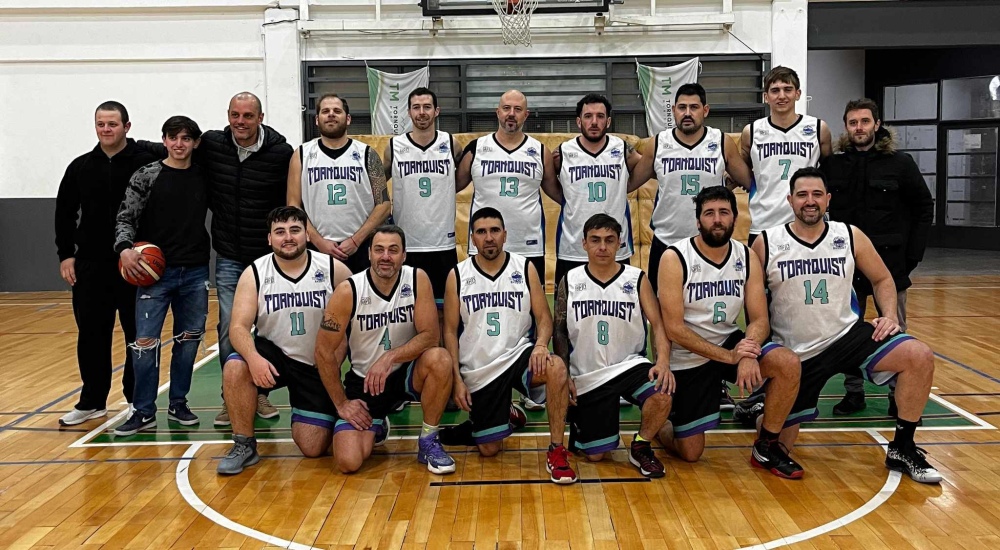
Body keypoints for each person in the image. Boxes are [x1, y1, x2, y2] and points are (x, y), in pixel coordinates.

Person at [751, 167, 940, 483]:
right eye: (802, 195)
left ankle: (903, 448)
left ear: (827, 199)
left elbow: (882, 278)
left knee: (919, 356)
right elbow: (752, 302)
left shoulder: (849, 235)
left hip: (847, 336)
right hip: (796, 353)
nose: (809, 201)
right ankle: (762, 413)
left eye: (816, 195)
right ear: (790, 200)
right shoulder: (767, 243)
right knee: (775, 442)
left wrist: (890, 316)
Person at [138, 92, 293, 427]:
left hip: (268, 259)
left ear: (260, 117)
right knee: (230, 327)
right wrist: (124, 141)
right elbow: (171, 147)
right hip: (229, 257)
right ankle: (232, 397)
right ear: (228, 115)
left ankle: (261, 393)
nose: (241, 122)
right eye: (235, 115)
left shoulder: (281, 153)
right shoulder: (211, 144)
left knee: (265, 329)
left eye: (248, 116)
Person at [655, 186, 804, 478]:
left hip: (729, 341)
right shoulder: (675, 257)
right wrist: (732, 357)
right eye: (709, 213)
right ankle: (663, 420)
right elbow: (674, 329)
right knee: (690, 453)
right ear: (698, 221)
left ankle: (767, 444)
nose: (717, 220)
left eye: (724, 212)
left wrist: (747, 352)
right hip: (689, 355)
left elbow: (759, 318)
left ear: (735, 218)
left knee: (787, 363)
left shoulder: (746, 256)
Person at [630, 82, 752, 410]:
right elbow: (629, 183)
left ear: (705, 111)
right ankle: (667, 372)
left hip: (710, 247)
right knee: (663, 318)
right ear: (673, 112)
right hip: (667, 245)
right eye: (681, 107)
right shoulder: (658, 143)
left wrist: (731, 182)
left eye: (693, 107)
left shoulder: (720, 142)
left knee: (714, 316)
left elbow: (750, 179)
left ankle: (715, 380)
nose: (687, 113)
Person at [441, 208, 577, 484]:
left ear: (505, 235)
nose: (488, 238)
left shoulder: (524, 268)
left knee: (557, 368)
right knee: (489, 450)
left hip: (520, 357)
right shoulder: (458, 274)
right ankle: (507, 413)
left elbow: (544, 318)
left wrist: (540, 344)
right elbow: (450, 331)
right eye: (481, 232)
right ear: (472, 238)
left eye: (494, 231)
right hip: (480, 368)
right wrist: (456, 379)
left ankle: (556, 449)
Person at [216, 206, 351, 475]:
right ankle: (244, 445)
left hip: (315, 363)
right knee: (235, 366)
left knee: (313, 448)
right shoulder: (254, 272)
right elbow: (238, 327)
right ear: (269, 239)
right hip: (272, 354)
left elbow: (356, 320)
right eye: (280, 232)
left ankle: (332, 416)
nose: (287, 237)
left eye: (295, 230)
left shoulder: (333, 269)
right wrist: (254, 360)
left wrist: (338, 356)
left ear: (307, 235)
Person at [821, 98, 935, 416]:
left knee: (895, 327)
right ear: (846, 126)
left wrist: (914, 255)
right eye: (853, 122)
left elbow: (924, 207)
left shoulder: (901, 163)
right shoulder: (834, 166)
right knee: (847, 332)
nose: (859, 128)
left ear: (877, 124)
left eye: (865, 121)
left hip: (892, 264)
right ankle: (853, 393)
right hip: (845, 267)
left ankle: (898, 397)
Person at [314, 225, 457, 474]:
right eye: (379, 250)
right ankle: (378, 422)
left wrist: (390, 357)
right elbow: (323, 351)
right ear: (369, 253)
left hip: (406, 373)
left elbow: (431, 336)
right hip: (366, 381)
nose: (386, 257)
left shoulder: (417, 279)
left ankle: (428, 439)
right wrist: (342, 403)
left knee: (440, 359)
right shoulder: (349, 290)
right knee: (348, 462)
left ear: (404, 255)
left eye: (393, 250)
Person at [54, 101, 157, 426]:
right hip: (90, 266)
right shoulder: (80, 167)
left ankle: (134, 401)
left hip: (134, 265)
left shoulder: (146, 164)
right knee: (91, 335)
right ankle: (92, 400)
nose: (106, 129)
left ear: (127, 127)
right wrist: (66, 254)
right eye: (101, 124)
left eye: (112, 124)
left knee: (136, 335)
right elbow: (64, 214)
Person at [553, 214, 673, 478]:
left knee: (662, 392)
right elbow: (559, 332)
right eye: (595, 240)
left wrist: (663, 362)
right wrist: (566, 375)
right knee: (595, 456)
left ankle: (641, 446)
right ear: (583, 243)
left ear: (620, 243)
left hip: (629, 366)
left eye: (609, 240)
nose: (602, 247)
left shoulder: (636, 278)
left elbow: (659, 324)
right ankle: (589, 426)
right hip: (588, 376)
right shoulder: (569, 280)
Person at [112, 116, 210, 436]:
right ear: (164, 140)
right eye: (173, 138)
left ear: (195, 142)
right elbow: (126, 217)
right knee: (144, 343)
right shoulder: (147, 174)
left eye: (186, 138)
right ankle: (143, 411)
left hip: (195, 272)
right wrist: (125, 248)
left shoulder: (205, 175)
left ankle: (178, 402)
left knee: (188, 342)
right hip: (154, 274)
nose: (179, 144)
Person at [456, 89, 562, 286]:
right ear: (498, 112)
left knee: (529, 309)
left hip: (528, 245)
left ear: (526, 114)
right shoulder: (476, 148)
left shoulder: (540, 151)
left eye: (517, 109)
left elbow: (558, 194)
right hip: (483, 244)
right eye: (506, 108)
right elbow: (449, 188)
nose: (511, 113)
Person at [288, 93, 392, 276]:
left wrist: (356, 240)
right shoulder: (302, 155)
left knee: (361, 302)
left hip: (360, 247)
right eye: (325, 111)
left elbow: (383, 204)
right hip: (316, 247)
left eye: (337, 111)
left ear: (348, 118)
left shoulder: (368, 154)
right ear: (317, 120)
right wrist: (319, 241)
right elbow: (293, 205)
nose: (331, 114)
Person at [553, 94, 644, 287]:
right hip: (573, 246)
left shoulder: (621, 148)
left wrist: (623, 189)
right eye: (588, 116)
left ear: (608, 121)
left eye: (600, 116)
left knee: (617, 305)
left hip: (614, 245)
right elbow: (548, 183)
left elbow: (646, 168)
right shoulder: (563, 152)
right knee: (569, 310)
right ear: (579, 121)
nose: (594, 122)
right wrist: (566, 199)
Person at [384, 87, 461, 315]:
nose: (422, 112)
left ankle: (442, 352)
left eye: (427, 107)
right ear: (408, 112)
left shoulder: (450, 143)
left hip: (442, 243)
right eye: (416, 107)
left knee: (444, 310)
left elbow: (463, 177)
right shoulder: (394, 146)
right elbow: (376, 186)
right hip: (408, 243)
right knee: (406, 310)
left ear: (436, 111)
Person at [739, 66, 832, 245]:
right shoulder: (751, 131)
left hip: (806, 222)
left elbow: (830, 173)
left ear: (798, 94)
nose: (782, 96)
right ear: (766, 97)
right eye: (775, 90)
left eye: (788, 89)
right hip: (763, 223)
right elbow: (740, 172)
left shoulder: (818, 129)